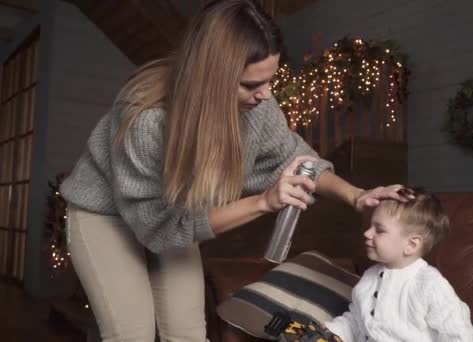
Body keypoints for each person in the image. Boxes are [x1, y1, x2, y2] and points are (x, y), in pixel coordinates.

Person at [60, 1, 411, 341]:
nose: (265, 95)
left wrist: (357, 195)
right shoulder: (148, 120)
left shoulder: (259, 108)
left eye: (269, 80)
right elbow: (157, 231)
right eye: (250, 85)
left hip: (176, 218)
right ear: (210, 77)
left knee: (187, 333)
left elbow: (301, 161)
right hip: (108, 217)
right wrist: (262, 202)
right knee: (131, 334)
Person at [324, 189, 473, 342]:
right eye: (370, 226)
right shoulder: (369, 277)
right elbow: (356, 322)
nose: (367, 233)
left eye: (379, 230)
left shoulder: (430, 285)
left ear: (411, 245)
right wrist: (329, 333)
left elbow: (459, 335)